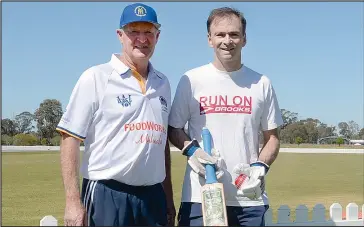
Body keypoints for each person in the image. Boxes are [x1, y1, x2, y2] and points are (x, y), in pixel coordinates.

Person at [56, 3, 175, 226]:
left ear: (157, 36)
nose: (142, 39)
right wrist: (72, 201)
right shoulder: (96, 76)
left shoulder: (163, 83)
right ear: (120, 35)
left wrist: (167, 196)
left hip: (153, 196)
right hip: (107, 193)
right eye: (134, 31)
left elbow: (161, 144)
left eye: (148, 32)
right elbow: (69, 137)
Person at [168, 7, 283, 226]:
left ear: (244, 39)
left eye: (234, 34)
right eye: (220, 34)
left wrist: (260, 167)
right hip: (200, 196)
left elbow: (273, 137)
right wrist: (193, 152)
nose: (227, 41)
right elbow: (174, 128)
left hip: (249, 198)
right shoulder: (191, 80)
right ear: (209, 39)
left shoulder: (261, 83)